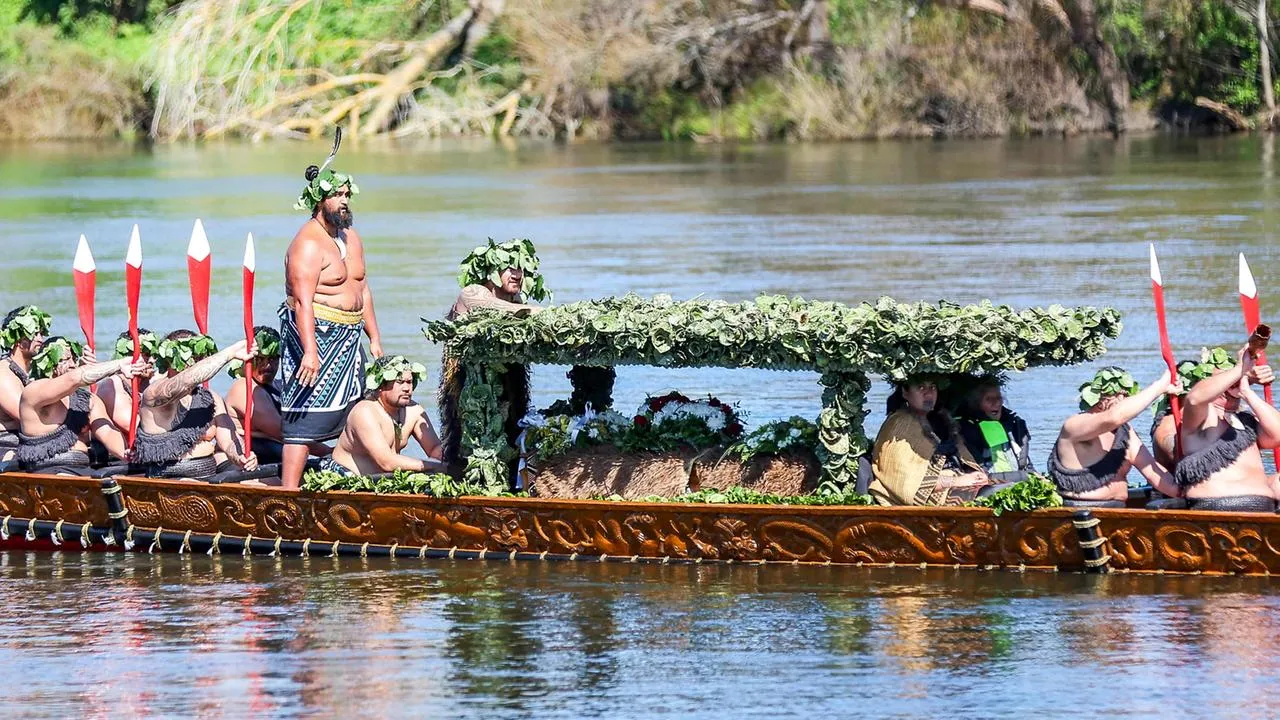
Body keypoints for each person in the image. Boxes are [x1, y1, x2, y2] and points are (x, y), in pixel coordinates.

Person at [280, 158, 383, 489]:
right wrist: (310, 351)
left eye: (346, 195)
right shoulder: (307, 244)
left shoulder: (352, 238)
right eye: (336, 195)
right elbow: (303, 301)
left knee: (356, 411)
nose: (344, 201)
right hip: (315, 338)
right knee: (304, 419)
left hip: (350, 340)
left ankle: (350, 479)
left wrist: (375, 338)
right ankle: (289, 494)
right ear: (318, 201)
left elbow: (362, 288)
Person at [440, 238, 547, 469]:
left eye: (521, 268)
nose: (517, 274)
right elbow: (498, 309)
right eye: (510, 267)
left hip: (506, 385)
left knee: (512, 436)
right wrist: (534, 311)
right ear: (491, 272)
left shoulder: (516, 300)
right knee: (468, 449)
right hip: (468, 388)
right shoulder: (473, 292)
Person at [133, 331, 258, 480]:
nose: (195, 360)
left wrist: (241, 456)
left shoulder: (211, 398)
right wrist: (230, 353)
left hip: (209, 478)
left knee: (263, 483)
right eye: (189, 355)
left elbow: (229, 440)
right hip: (168, 481)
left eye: (198, 355)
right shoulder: (155, 393)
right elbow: (187, 379)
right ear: (171, 358)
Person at [1047, 367, 1179, 508]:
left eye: (1125, 395)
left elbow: (1154, 472)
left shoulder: (1126, 433)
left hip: (1118, 511)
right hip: (1078, 511)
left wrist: (1188, 491)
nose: (1122, 400)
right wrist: (1160, 385)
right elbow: (1115, 416)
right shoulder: (1074, 426)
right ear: (1098, 396)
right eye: (1115, 394)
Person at [16, 337, 147, 475]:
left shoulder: (88, 400)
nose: (72, 364)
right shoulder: (34, 392)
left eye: (73, 358)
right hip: (49, 471)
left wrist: (124, 452)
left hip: (82, 469)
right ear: (48, 364)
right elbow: (74, 378)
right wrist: (120, 364)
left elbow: (107, 431)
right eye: (65, 360)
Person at [1176, 345, 1280, 512]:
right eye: (1225, 379)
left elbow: (1278, 434)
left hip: (1262, 506)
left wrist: (1247, 391)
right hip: (1216, 505)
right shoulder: (1201, 416)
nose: (1231, 382)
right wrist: (1240, 368)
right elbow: (1196, 399)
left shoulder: (1247, 422)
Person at [869, 377, 990, 506]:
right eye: (921, 388)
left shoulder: (942, 421)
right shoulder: (899, 425)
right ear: (905, 392)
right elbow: (904, 482)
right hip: (932, 500)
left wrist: (976, 475)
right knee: (994, 495)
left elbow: (964, 458)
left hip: (962, 485)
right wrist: (955, 481)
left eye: (932, 387)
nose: (928, 393)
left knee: (1006, 487)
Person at [320, 356, 444, 476]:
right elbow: (386, 462)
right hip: (346, 477)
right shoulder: (365, 412)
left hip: (386, 478)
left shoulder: (414, 411)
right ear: (380, 386)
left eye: (409, 382)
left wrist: (447, 457)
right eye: (400, 382)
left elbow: (434, 448)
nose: (407, 388)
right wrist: (429, 465)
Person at [225, 326, 330, 465]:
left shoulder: (275, 385)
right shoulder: (244, 388)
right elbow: (285, 433)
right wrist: (329, 452)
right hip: (251, 464)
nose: (268, 365)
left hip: (275, 458)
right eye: (260, 358)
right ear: (247, 358)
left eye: (274, 358)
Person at [0, 306, 52, 463]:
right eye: (33, 333)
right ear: (16, 338)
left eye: (41, 333)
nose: (40, 339)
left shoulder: (33, 374)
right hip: (7, 448)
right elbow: (27, 417)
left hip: (30, 444)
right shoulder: (3, 373)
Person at [956, 378, 1033, 482]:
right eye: (989, 399)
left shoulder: (1013, 425)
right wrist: (1025, 476)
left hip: (1018, 480)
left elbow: (1027, 464)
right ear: (976, 404)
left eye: (998, 398)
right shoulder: (968, 430)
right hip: (987, 484)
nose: (996, 403)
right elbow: (980, 475)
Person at [96, 329, 159, 436]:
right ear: (128, 357)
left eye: (154, 355)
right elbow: (134, 427)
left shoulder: (151, 380)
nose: (153, 360)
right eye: (147, 355)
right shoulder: (111, 387)